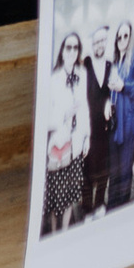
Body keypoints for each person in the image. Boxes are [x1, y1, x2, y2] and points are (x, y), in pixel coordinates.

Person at [41, 31, 91, 233]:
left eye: (75, 47)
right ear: (62, 51)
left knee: (70, 194)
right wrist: (63, 115)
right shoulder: (53, 79)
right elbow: (45, 119)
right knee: (55, 197)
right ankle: (53, 233)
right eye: (68, 47)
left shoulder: (82, 75)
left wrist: (87, 137)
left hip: (76, 144)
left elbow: (85, 107)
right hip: (59, 146)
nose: (72, 51)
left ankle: (63, 231)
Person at [104, 19, 134, 208]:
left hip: (128, 122)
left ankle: (123, 205)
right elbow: (110, 89)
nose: (122, 39)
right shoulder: (114, 60)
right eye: (119, 36)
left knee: (125, 167)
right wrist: (107, 101)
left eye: (125, 35)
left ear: (130, 37)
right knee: (114, 167)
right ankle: (112, 205)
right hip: (114, 122)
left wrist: (123, 87)